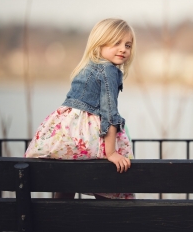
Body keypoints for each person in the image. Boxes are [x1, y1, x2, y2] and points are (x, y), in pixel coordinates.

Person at [25, 18, 135, 200]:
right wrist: (111, 153)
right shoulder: (109, 70)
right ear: (99, 43)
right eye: (116, 43)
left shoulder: (88, 66)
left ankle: (57, 220)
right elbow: (109, 113)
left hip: (68, 134)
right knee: (112, 182)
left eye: (128, 45)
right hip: (87, 133)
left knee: (67, 183)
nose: (123, 48)